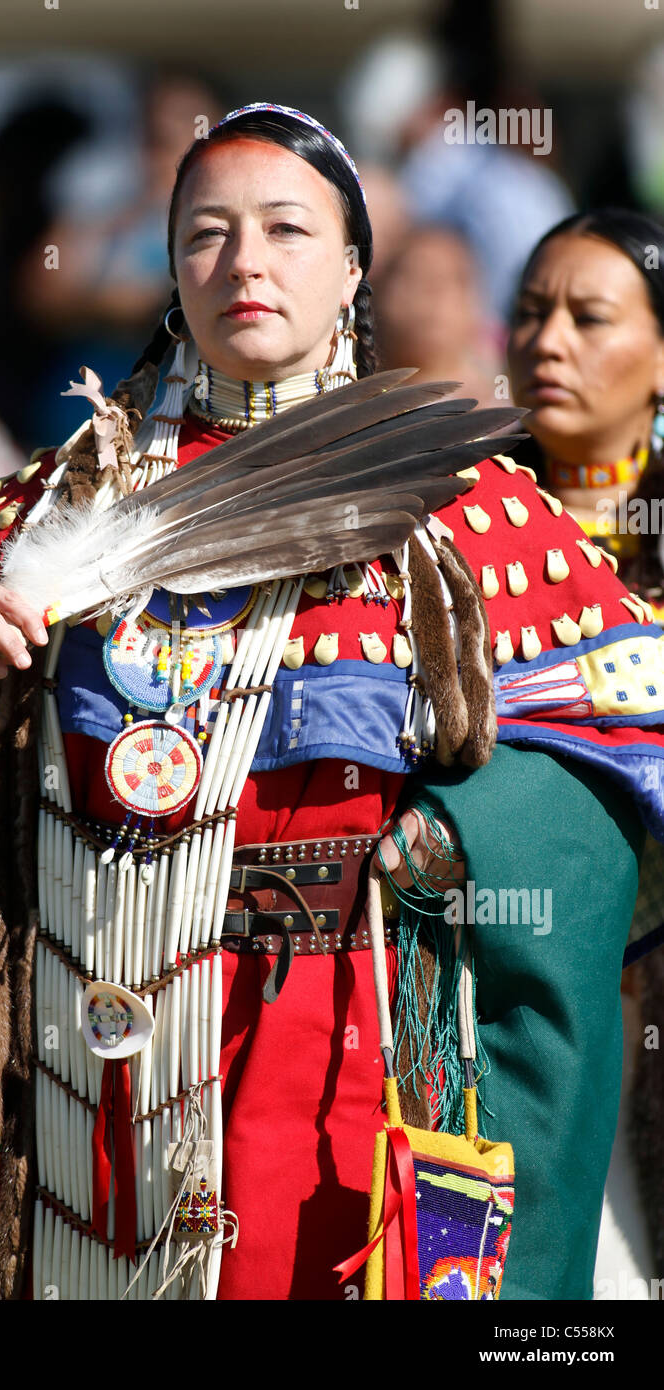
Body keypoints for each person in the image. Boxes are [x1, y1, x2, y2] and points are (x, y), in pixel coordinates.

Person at [0, 105, 664, 1302]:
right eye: (205, 233)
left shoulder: (459, 501)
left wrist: (454, 843)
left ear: (354, 265)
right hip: (88, 1052)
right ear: (170, 266)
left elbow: (628, 718)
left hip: (342, 1053)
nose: (244, 262)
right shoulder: (68, 497)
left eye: (286, 230)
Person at [506, 207, 664, 1288]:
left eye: (587, 316)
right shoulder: (446, 519)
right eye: (528, 312)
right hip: (498, 974)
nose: (546, 340)